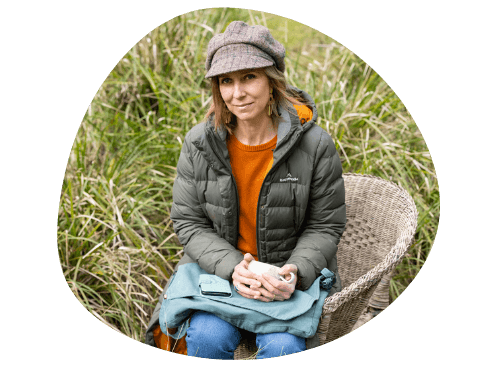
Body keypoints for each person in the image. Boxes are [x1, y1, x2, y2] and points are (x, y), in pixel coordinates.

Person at [149, 20, 346, 359]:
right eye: (227, 81)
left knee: (284, 347)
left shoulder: (315, 145)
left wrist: (294, 271)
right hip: (221, 276)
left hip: (286, 283)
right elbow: (189, 221)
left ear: (272, 81)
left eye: (249, 77)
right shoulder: (200, 143)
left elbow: (325, 225)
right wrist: (234, 267)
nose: (237, 93)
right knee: (208, 337)